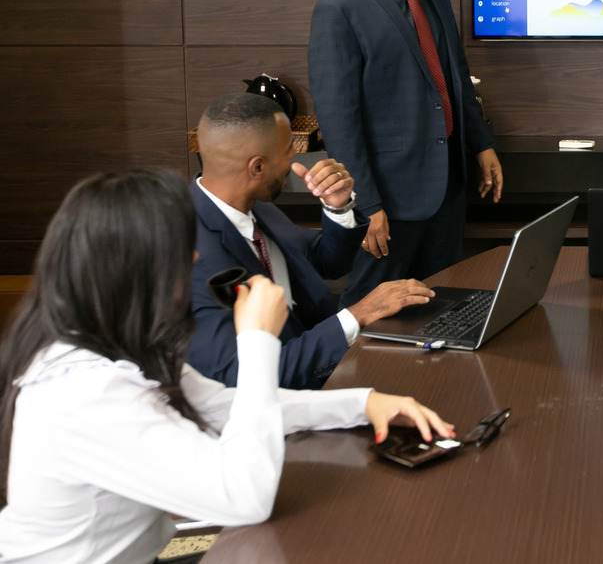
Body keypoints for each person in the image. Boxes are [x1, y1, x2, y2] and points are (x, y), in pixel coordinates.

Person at [0, 170, 454, 564]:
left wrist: (364, 403)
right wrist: (257, 341)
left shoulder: (115, 346)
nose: (195, 259)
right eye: (182, 247)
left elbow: (226, 405)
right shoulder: (86, 392)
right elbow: (245, 497)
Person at [310, 0, 503, 308]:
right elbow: (340, 122)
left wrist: (481, 143)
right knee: (375, 310)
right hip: (390, 200)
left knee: (440, 303)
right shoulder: (339, 9)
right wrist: (366, 206)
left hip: (448, 185)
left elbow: (453, 73)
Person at [189, 92, 437, 389]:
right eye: (288, 150)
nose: (294, 158)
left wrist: (338, 207)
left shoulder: (254, 206)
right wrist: (358, 315)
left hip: (323, 363)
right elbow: (247, 378)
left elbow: (325, 262)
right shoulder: (191, 256)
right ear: (257, 168)